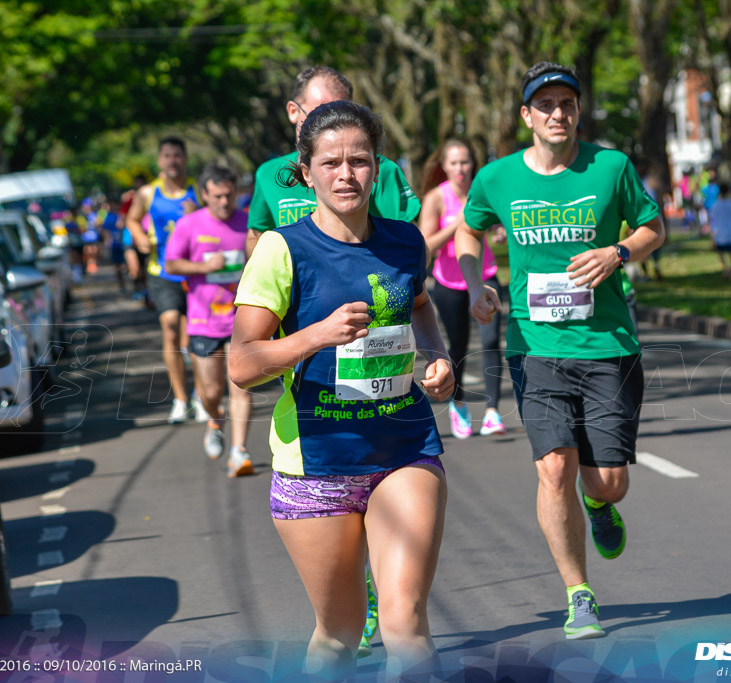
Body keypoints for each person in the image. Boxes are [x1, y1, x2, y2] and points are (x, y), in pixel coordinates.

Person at [229, 101, 453, 677]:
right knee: (340, 633)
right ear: (306, 172)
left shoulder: (405, 243)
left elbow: (421, 306)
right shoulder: (282, 250)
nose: (346, 174)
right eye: (331, 163)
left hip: (404, 446)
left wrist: (438, 358)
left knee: (405, 623)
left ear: (377, 167)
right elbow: (243, 363)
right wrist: (316, 336)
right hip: (316, 463)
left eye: (359, 160)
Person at [455, 62, 664, 640]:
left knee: (607, 482)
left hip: (607, 344)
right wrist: (476, 283)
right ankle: (580, 594)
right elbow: (468, 230)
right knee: (553, 470)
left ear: (577, 111)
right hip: (534, 345)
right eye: (544, 104)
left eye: (566, 103)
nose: (557, 113)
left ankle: (598, 506)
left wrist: (618, 252)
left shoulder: (611, 166)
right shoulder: (497, 179)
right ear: (526, 115)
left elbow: (653, 227)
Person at [244, 65, 421, 258]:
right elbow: (256, 236)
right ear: (293, 111)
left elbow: (413, 247)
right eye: (319, 111)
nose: (331, 121)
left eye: (344, 113)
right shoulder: (268, 174)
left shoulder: (380, 170)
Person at [165, 165, 255, 477]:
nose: (224, 201)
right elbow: (171, 263)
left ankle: (239, 450)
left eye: (230, 194)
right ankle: (215, 421)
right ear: (204, 194)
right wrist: (204, 267)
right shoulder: (190, 224)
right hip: (203, 321)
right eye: (217, 195)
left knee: (241, 386)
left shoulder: (248, 222)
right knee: (211, 391)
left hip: (242, 318)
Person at [418, 138, 507, 439]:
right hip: (448, 281)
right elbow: (425, 245)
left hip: (485, 275)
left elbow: (498, 224)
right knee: (458, 345)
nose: (460, 169)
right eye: (454, 163)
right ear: (444, 165)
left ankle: (493, 412)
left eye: (465, 162)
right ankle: (459, 405)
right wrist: (456, 225)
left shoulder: (483, 190)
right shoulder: (436, 198)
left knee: (491, 338)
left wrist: (500, 231)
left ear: (473, 164)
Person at [125, 137, 207, 423]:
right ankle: (180, 399)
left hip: (196, 273)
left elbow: (217, 220)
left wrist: (197, 215)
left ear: (185, 159)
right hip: (162, 272)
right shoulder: (148, 193)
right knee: (170, 325)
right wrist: (137, 238)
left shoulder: (198, 191)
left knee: (197, 336)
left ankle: (201, 395)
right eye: (167, 156)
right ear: (160, 161)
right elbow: (132, 219)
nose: (172, 161)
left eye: (177, 156)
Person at [120, 174, 150, 302]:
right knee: (135, 268)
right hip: (129, 239)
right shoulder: (129, 199)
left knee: (146, 268)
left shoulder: (152, 196)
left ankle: (147, 292)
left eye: (141, 185)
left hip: (148, 238)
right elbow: (123, 219)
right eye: (136, 185)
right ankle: (138, 289)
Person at [709, 182, 731, 280]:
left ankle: (725, 268)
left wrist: (712, 235)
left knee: (720, 253)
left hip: (719, 234)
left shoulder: (715, 206)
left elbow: (712, 221)